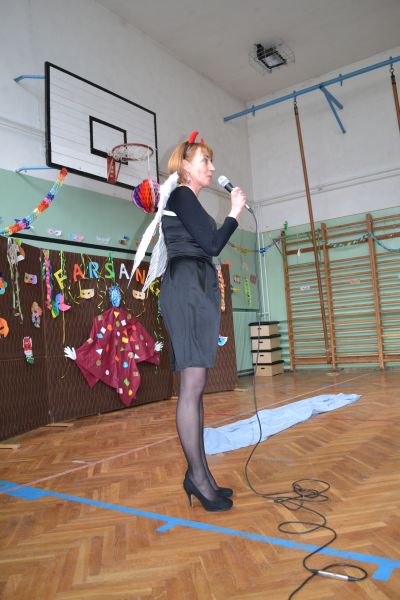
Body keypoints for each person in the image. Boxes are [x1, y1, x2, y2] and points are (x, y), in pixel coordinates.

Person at [159, 131, 247, 511]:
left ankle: (203, 476)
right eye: (204, 161)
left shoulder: (189, 200)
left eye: (211, 161)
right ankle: (196, 477)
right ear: (185, 167)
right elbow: (213, 245)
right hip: (186, 288)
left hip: (195, 285)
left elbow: (208, 244)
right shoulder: (181, 195)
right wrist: (234, 213)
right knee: (191, 386)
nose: (211, 168)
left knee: (197, 385)